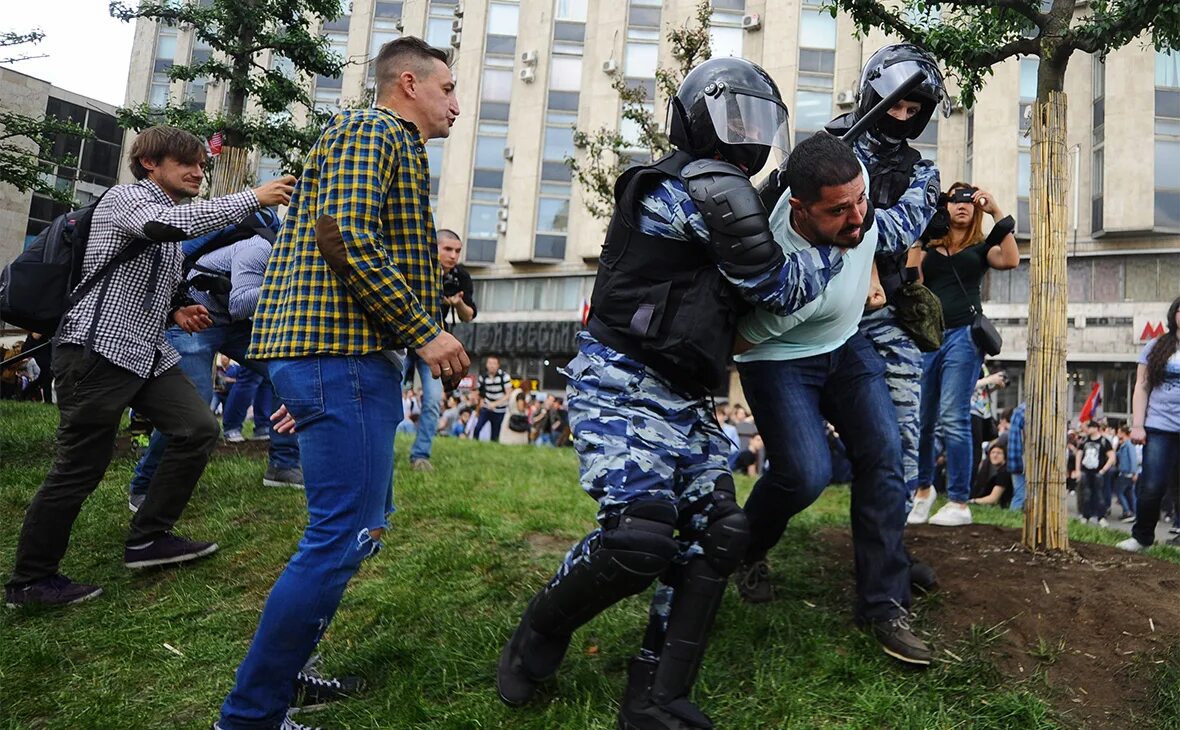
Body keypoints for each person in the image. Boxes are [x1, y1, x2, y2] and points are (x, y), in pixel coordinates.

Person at [496, 57, 846, 729]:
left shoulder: (723, 189)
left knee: (720, 532)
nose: (745, 131)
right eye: (733, 115)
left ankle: (656, 697)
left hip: (685, 398)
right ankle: (541, 628)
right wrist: (833, 243)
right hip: (621, 384)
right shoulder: (701, 190)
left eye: (756, 119)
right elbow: (778, 287)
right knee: (640, 537)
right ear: (698, 117)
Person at [214, 36, 468, 730]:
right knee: (341, 537)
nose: (456, 104)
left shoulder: (386, 141)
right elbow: (344, 235)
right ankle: (251, 716)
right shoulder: (372, 127)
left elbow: (349, 240)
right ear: (409, 83)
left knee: (361, 529)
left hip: (340, 362)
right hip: (340, 357)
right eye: (448, 90)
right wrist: (424, 331)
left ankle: (286, 679)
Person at [4, 126, 294, 608]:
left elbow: (151, 270)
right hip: (97, 351)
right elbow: (162, 230)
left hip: (146, 351)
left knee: (197, 427)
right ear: (150, 165)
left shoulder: (164, 211)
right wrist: (252, 197)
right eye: (186, 164)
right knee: (79, 468)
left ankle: (148, 538)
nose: (198, 172)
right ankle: (30, 580)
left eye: (201, 164)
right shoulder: (129, 200)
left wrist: (178, 305)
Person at [730, 132, 937, 665]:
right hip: (776, 358)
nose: (856, 219)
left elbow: (894, 225)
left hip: (846, 346)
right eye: (838, 210)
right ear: (798, 208)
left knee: (885, 455)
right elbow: (738, 340)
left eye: (860, 200)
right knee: (803, 474)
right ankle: (744, 551)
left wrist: (928, 183)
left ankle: (884, 601)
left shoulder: (858, 210)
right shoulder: (772, 253)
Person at [822, 42, 948, 591]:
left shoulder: (922, 174)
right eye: (894, 104)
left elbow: (896, 232)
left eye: (913, 108)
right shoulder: (826, 146)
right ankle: (750, 545)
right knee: (799, 454)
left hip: (882, 317)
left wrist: (845, 216)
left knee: (900, 437)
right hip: (816, 307)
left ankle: (885, 553)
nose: (902, 115)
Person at [126, 210, 304, 513]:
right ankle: (145, 485)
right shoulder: (258, 250)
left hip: (235, 326)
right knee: (192, 403)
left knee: (287, 375)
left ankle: (283, 466)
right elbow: (242, 301)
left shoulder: (296, 264)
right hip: (195, 321)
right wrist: (292, 286)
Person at [910, 181, 1020, 527]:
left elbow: (1012, 259)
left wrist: (996, 209)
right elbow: (913, 278)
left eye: (967, 201)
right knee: (923, 419)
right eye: (954, 201)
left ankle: (958, 501)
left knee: (953, 416)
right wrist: (922, 230)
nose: (961, 206)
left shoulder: (981, 246)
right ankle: (923, 491)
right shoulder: (929, 242)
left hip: (964, 337)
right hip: (929, 336)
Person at [404, 228, 478, 470]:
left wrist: (458, 303)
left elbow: (469, 315)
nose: (453, 255)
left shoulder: (459, 278)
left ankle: (420, 455)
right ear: (433, 248)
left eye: (457, 251)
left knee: (434, 399)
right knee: (388, 393)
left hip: (435, 343)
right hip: (404, 339)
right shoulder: (417, 268)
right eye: (447, 249)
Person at [1118, 297, 1180, 552]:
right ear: (1174, 314)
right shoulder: (1155, 346)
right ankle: (1142, 537)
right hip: (1159, 427)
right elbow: (1141, 388)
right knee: (1152, 485)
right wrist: (1138, 425)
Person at [1076, 419, 1115, 525]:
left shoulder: (1104, 441)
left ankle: (1100, 516)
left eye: (1090, 427)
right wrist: (1078, 470)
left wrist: (1103, 470)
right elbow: (1079, 454)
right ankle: (1086, 515)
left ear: (1095, 428)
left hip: (1098, 471)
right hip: (1086, 470)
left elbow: (1111, 457)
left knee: (1099, 494)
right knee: (1086, 494)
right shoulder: (1085, 440)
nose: (1088, 429)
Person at [473, 356, 512, 442]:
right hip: (486, 407)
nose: (492, 366)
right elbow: (481, 393)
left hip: (500, 410)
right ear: (486, 365)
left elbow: (508, 394)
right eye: (490, 363)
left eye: (494, 363)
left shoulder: (504, 377)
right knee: (477, 427)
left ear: (498, 365)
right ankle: (474, 444)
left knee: (495, 433)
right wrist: (479, 404)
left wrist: (495, 404)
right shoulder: (483, 377)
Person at [968, 439, 1012, 508]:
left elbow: (993, 498)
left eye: (999, 453)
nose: (995, 455)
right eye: (993, 452)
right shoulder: (999, 470)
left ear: (1005, 456)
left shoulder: (1004, 472)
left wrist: (972, 501)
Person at [1114, 424, 1139, 521]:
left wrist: (1134, 472)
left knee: (1120, 492)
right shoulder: (1124, 445)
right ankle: (1134, 512)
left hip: (1126, 472)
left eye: (1120, 432)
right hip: (1127, 472)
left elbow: (1133, 459)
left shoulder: (1128, 445)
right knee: (1130, 493)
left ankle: (1127, 511)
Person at [1006, 401, 1027, 510]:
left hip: (1019, 460)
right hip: (1024, 460)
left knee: (1020, 494)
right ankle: (1014, 520)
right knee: (1021, 495)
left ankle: (1013, 519)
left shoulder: (1021, 410)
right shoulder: (1024, 411)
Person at [501, 379, 532, 445]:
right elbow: (520, 408)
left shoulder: (515, 392)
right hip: (517, 419)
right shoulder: (521, 394)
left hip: (509, 416)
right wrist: (526, 407)